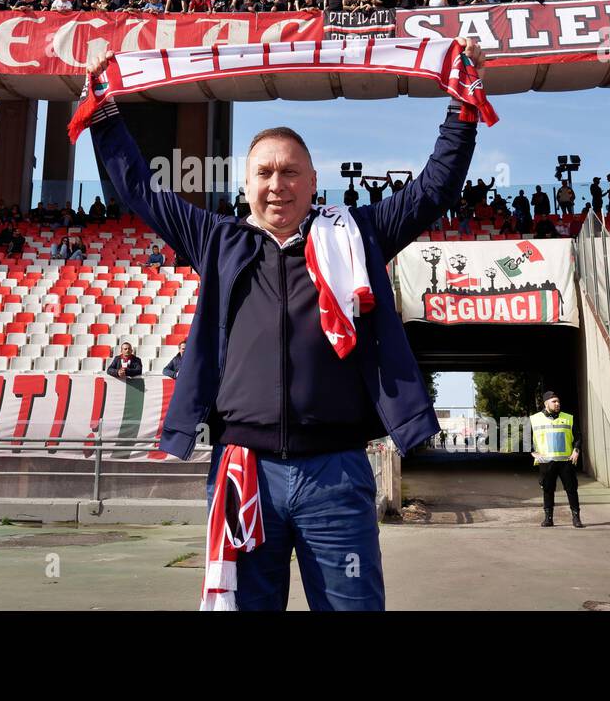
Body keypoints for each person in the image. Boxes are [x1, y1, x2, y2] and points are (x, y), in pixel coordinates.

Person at [81, 38, 482, 611]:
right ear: (246, 184)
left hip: (337, 475)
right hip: (243, 471)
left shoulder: (356, 236)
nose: (277, 184)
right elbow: (140, 189)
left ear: (313, 181)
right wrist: (103, 112)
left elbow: (433, 188)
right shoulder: (217, 240)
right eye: (265, 173)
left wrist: (461, 107)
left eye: (290, 172)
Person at [530, 391, 583, 528]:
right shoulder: (534, 419)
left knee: (571, 490)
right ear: (546, 403)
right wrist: (532, 452)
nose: (557, 404)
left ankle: (576, 518)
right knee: (548, 490)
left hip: (566, 461)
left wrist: (576, 450)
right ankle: (548, 518)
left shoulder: (568, 418)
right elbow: (527, 439)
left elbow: (577, 437)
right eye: (554, 401)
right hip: (546, 462)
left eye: (558, 401)